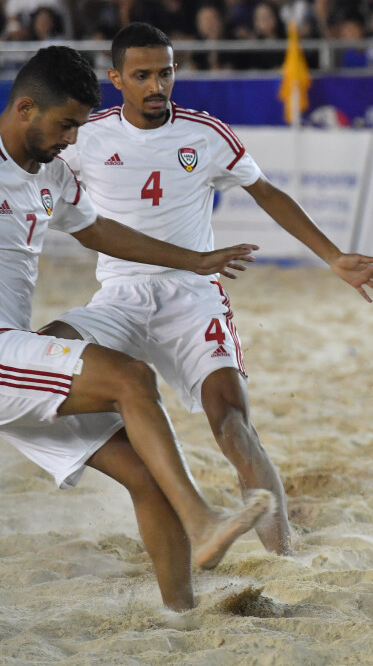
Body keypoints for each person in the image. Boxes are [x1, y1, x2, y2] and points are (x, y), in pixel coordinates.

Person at [39, 25, 373, 558]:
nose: (157, 85)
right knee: (42, 356)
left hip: (194, 295)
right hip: (119, 296)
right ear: (116, 79)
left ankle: (285, 557)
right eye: (142, 76)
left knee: (232, 425)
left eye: (166, 72)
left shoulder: (206, 134)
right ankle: (142, 475)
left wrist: (333, 257)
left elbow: (267, 193)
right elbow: (32, 177)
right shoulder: (85, 136)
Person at [0, 46, 272, 609]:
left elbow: (98, 230)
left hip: (15, 360)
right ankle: (201, 522)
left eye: (78, 126)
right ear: (25, 107)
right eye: (65, 125)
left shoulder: (49, 172)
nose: (73, 140)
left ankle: (181, 617)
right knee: (131, 379)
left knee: (149, 474)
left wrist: (192, 261)